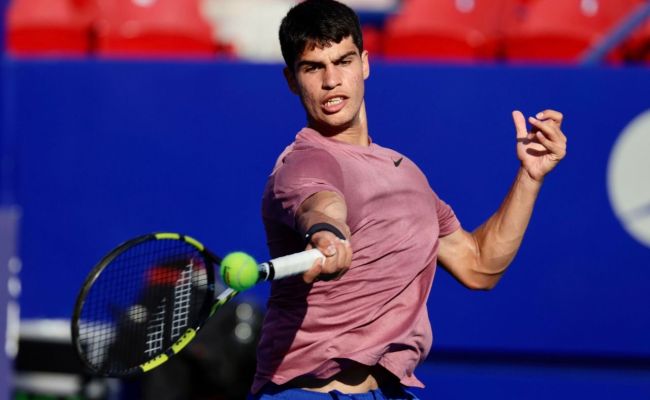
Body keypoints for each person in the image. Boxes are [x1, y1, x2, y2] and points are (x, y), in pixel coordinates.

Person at [252, 0, 567, 398]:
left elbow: (479, 266)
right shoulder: (302, 164)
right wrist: (328, 235)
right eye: (313, 68)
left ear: (365, 64)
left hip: (389, 392)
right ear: (292, 80)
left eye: (343, 61)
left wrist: (530, 177)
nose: (331, 80)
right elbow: (320, 205)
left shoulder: (407, 173)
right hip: (307, 394)